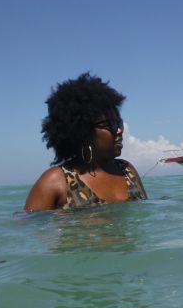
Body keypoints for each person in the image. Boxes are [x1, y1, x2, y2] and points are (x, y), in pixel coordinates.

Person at [25, 73, 147, 211]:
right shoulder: (55, 182)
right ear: (83, 132)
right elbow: (30, 223)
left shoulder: (127, 170)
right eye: (111, 125)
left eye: (119, 123)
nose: (119, 130)